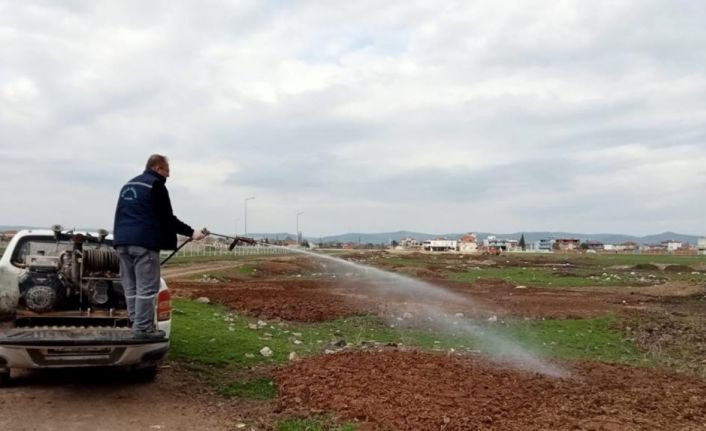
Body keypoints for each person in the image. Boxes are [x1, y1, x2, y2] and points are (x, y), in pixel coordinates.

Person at [113, 154, 206, 337]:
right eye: (166, 170)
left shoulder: (128, 185)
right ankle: (143, 328)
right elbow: (167, 218)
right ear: (156, 168)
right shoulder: (155, 185)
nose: (168, 175)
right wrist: (191, 232)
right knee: (147, 288)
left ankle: (134, 322)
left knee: (130, 287)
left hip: (121, 242)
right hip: (144, 243)